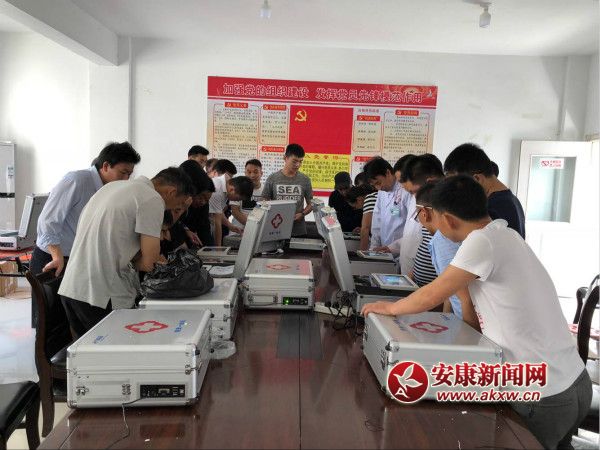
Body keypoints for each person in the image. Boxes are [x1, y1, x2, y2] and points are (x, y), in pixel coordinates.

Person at [362, 175, 591, 449]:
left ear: (448, 219)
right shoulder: (505, 234)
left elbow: (434, 293)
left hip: (541, 393)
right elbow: (469, 305)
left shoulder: (481, 242)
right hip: (574, 383)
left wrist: (390, 307)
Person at [59, 167, 196, 338]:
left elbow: (113, 243)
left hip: (72, 287)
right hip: (101, 293)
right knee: (116, 350)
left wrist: (137, 258)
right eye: (179, 205)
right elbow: (150, 263)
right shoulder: (152, 199)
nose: (174, 209)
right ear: (171, 192)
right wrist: (149, 261)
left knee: (87, 352)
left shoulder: (113, 187)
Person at [32, 142, 141, 278]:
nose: (126, 179)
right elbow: (47, 221)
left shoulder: (110, 191)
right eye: (123, 173)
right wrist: (56, 255)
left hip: (77, 260)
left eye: (129, 175)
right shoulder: (76, 180)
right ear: (106, 166)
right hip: (52, 258)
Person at [414, 181, 476, 325]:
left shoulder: (442, 240)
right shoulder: (446, 236)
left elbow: (464, 296)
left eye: (416, 215)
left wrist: (471, 335)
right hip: (460, 319)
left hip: (468, 322)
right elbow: (450, 290)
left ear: (424, 212)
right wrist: (446, 320)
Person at [444, 143, 525, 238]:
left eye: (457, 185)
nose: (456, 192)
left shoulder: (492, 208)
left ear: (477, 179)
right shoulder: (511, 200)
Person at [399, 154, 444, 286]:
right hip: (419, 285)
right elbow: (425, 243)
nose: (414, 198)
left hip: (435, 292)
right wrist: (413, 274)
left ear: (429, 182)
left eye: (414, 192)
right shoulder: (429, 206)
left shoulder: (448, 213)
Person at [262, 143, 313, 237]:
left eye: (300, 161)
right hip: (276, 226)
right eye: (294, 161)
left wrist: (302, 214)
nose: (298, 165)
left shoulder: (305, 179)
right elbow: (264, 200)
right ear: (285, 158)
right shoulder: (272, 178)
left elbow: (311, 203)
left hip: (298, 228)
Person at [364, 157, 411, 251]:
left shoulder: (406, 190)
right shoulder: (381, 192)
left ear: (388, 173)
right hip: (384, 251)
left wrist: (393, 248)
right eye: (374, 185)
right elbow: (377, 221)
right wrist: (373, 247)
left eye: (378, 183)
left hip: (402, 250)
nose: (378, 188)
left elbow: (412, 227)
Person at [209, 175, 254, 246]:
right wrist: (218, 248)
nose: (237, 201)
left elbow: (219, 212)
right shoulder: (217, 189)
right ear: (232, 190)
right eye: (238, 199)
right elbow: (217, 222)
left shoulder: (225, 189)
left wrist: (230, 226)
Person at [179, 159, 214, 247]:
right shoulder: (177, 199)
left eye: (207, 200)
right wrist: (185, 230)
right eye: (201, 197)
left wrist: (211, 250)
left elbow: (204, 228)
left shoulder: (202, 204)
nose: (203, 202)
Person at [231, 159, 264, 228]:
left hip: (258, 230)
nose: (252, 175)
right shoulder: (237, 189)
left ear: (261, 173)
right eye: (249, 172)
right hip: (238, 231)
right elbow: (235, 211)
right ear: (245, 173)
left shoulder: (266, 190)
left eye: (255, 172)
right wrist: (251, 226)